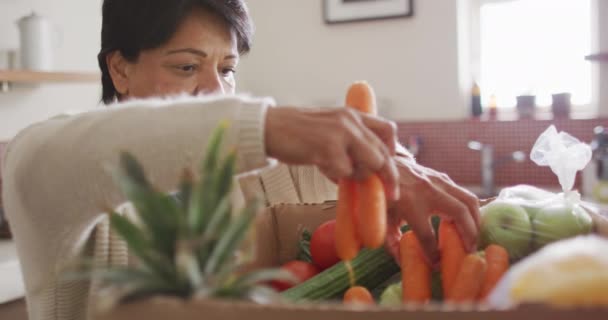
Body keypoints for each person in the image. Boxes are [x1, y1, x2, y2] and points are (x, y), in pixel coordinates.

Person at [1, 1, 479, 319]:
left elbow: (339, 152)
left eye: (227, 70)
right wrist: (274, 125)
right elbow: (39, 154)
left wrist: (390, 161)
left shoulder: (251, 171)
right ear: (120, 68)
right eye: (186, 66)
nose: (215, 89)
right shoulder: (59, 181)